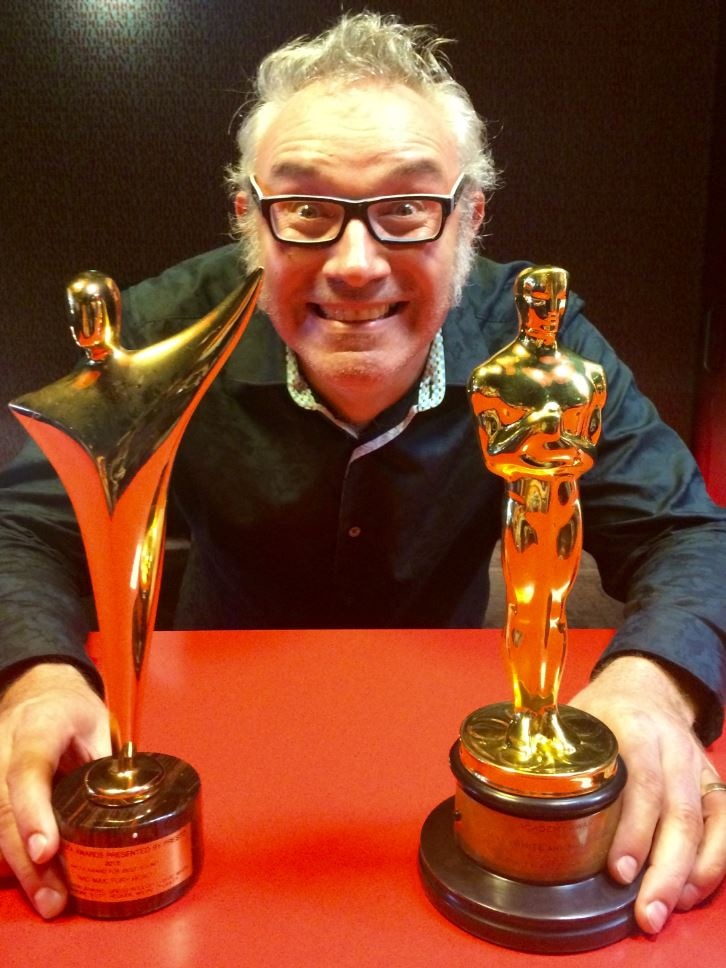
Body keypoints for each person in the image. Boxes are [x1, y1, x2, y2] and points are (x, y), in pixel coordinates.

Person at [0, 12, 724, 936]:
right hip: (207, 752)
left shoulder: (540, 340)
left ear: (470, 216)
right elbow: (22, 522)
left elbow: (687, 529)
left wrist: (653, 687)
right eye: (304, 209)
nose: (354, 263)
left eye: (407, 208)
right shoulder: (158, 331)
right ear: (248, 220)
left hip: (452, 747)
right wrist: (35, 681)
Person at [468, 265, 608, 763]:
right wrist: (537, 426)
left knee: (557, 612)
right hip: (526, 505)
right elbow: (496, 457)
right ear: (520, 302)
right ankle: (525, 713)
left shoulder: (587, 376)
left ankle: (546, 711)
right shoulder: (493, 378)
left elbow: (587, 453)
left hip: (565, 506)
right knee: (526, 610)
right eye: (537, 300)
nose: (547, 311)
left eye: (556, 300)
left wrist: (545, 440)